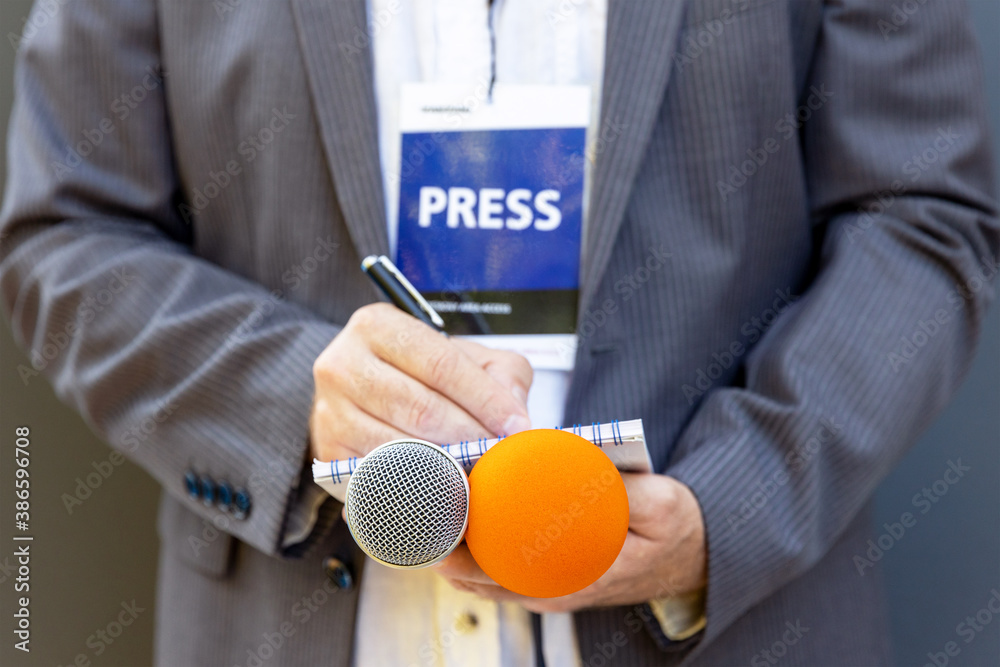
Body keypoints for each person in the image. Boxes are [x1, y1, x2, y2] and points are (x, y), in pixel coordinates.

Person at [1, 0, 996, 665]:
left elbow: (922, 213)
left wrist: (729, 509)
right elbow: (65, 232)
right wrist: (293, 396)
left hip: (731, 629)